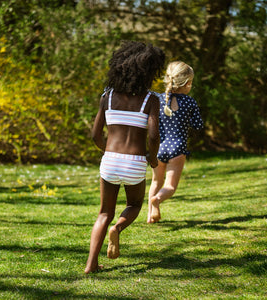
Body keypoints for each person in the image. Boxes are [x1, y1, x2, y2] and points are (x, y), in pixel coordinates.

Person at [84, 41, 165, 273]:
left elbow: (95, 135)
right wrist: (152, 158)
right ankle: (117, 229)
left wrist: (106, 152)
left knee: (103, 213)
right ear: (148, 72)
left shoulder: (107, 97)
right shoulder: (150, 99)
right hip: (135, 162)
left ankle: (91, 265)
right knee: (134, 204)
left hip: (110, 160)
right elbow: (153, 135)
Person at [147, 61, 203, 224]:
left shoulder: (157, 99)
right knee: (170, 187)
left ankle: (150, 217)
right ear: (186, 83)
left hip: (159, 148)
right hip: (177, 149)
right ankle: (156, 200)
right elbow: (198, 125)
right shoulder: (189, 102)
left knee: (155, 181)